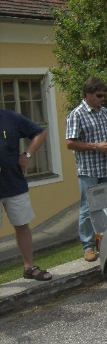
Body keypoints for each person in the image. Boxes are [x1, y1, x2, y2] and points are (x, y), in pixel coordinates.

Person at [65, 77, 107, 262]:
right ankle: (88, 246)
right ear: (88, 94)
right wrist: (97, 147)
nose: (102, 98)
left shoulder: (105, 113)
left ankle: (106, 241)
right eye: (99, 95)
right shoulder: (77, 114)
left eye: (104, 95)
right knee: (88, 208)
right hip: (89, 169)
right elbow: (70, 143)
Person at [0, 110, 51, 281]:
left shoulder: (10, 118)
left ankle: (29, 267)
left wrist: (27, 155)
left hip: (13, 182)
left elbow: (39, 132)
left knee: (22, 225)